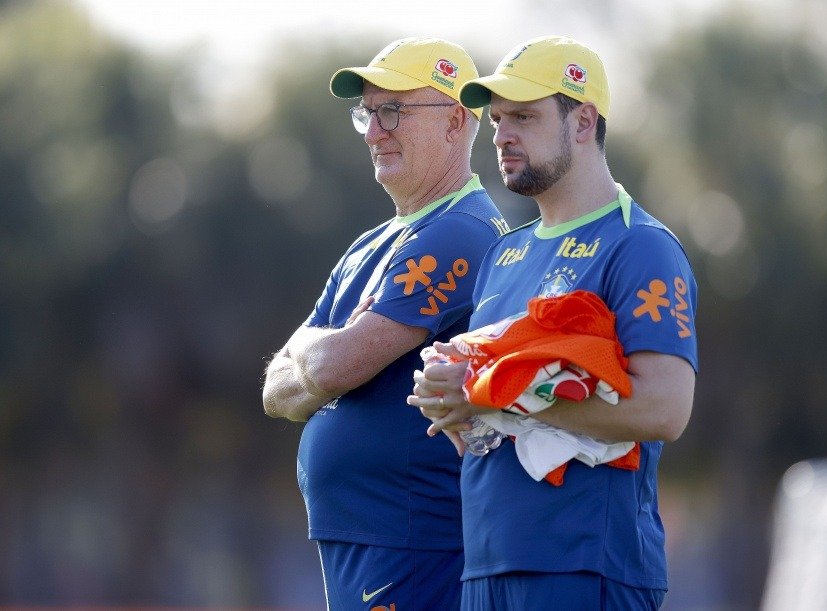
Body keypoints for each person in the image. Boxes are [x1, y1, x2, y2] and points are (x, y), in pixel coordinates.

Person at [408, 35, 698, 609]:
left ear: (583, 122)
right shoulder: (503, 254)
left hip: (586, 565)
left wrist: (495, 397)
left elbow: (666, 410)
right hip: (486, 568)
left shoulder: (639, 245)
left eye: (524, 117)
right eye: (496, 120)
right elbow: (490, 412)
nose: (502, 136)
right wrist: (454, 397)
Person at [262, 37, 507, 610]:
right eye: (366, 114)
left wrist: (315, 358)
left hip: (416, 546)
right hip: (363, 542)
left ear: (453, 122)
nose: (374, 132)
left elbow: (335, 363)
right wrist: (317, 362)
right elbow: (277, 391)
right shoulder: (369, 245)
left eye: (392, 111)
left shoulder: (459, 231)